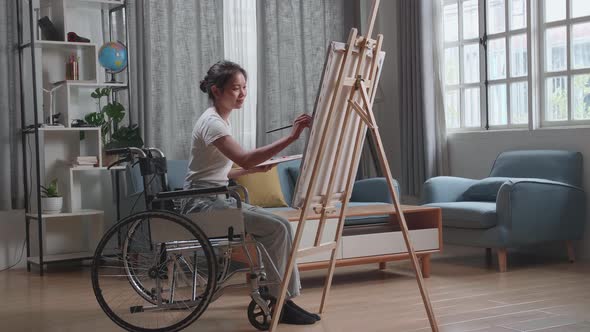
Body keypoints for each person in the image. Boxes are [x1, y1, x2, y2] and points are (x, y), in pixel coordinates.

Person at [181, 60, 318, 325]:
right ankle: (281, 300)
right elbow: (244, 158)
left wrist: (251, 172)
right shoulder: (213, 123)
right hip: (202, 204)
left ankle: (281, 299)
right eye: (235, 88)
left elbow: (219, 172)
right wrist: (291, 137)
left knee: (281, 224)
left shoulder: (218, 120)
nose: (242, 93)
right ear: (216, 90)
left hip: (215, 197)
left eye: (245, 87)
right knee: (277, 228)